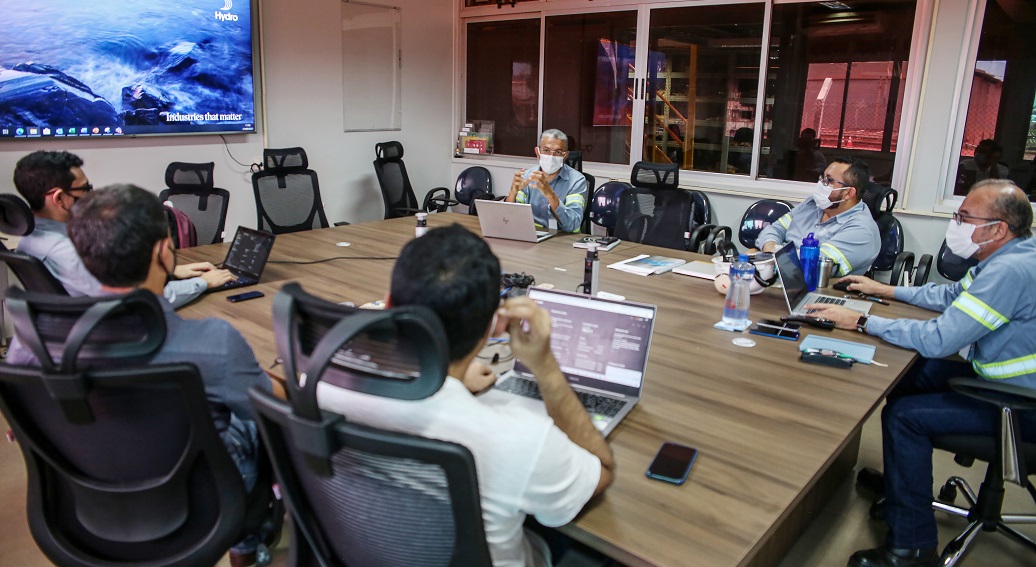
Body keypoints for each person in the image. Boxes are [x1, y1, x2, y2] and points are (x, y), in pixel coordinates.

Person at [6, 184, 276, 566]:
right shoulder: (215, 343)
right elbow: (270, 416)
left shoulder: (28, 344)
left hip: (83, 512)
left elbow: (19, 428)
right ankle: (248, 545)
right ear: (163, 251)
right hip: (204, 509)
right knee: (261, 421)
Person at [317, 224, 615, 567]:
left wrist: (453, 379)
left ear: (387, 306)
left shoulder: (320, 383)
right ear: (492, 328)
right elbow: (601, 469)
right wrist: (544, 366)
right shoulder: (522, 440)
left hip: (362, 550)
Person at [806, 180, 1036, 567]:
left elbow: (938, 339)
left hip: (1020, 407)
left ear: (997, 228)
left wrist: (861, 321)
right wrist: (886, 291)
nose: (956, 224)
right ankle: (904, 486)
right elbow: (949, 297)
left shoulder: (1010, 270)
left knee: (904, 417)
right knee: (911, 378)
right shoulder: (1009, 254)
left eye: (964, 217)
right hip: (1005, 384)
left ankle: (912, 548)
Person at [12, 150, 234, 307]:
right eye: (85, 188)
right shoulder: (65, 252)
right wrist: (201, 283)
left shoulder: (30, 238)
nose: (90, 194)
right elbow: (136, 301)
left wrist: (169, 272)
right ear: (60, 198)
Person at [755, 156, 880, 277]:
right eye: (823, 177)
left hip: (814, 289)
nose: (821, 184)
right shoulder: (812, 205)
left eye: (829, 180)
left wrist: (770, 254)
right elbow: (775, 229)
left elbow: (816, 265)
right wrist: (769, 247)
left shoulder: (861, 230)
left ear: (848, 193)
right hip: (776, 275)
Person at [505, 129, 588, 233]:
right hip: (531, 235)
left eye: (558, 152)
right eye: (546, 150)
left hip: (563, 240)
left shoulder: (577, 180)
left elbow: (572, 224)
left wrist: (550, 194)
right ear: (538, 152)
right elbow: (509, 218)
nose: (551, 156)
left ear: (565, 156)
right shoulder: (526, 175)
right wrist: (513, 192)